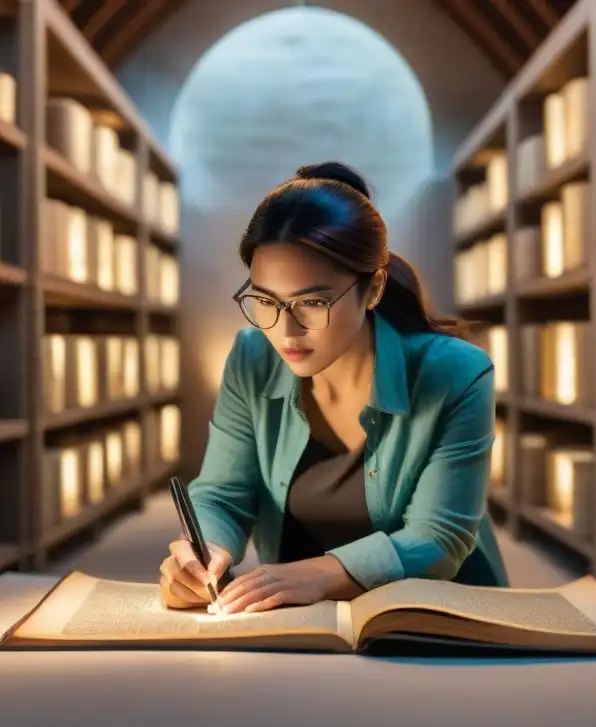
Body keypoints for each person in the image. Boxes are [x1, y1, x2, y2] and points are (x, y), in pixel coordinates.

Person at [159, 161, 508, 615]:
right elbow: (224, 493)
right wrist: (205, 552)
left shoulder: (457, 372)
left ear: (374, 288)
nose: (286, 331)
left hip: (440, 621)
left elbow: (440, 536)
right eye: (265, 300)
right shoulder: (251, 357)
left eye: (313, 302)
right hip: (298, 619)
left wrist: (321, 574)